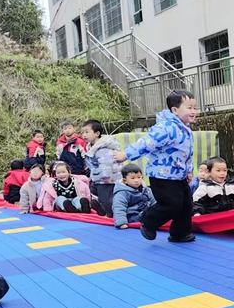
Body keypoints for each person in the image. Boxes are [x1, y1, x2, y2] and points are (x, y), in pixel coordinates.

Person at [113, 90, 196, 243]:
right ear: (175, 110)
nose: (193, 111)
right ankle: (148, 220)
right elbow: (146, 143)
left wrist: (189, 170)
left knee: (186, 204)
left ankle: (180, 233)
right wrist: (126, 154)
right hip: (161, 174)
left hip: (178, 174)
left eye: (195, 108)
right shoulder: (166, 127)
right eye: (189, 107)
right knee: (172, 204)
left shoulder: (185, 129)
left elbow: (187, 153)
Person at [81, 120, 123, 217]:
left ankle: (113, 214)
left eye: (87, 132)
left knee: (107, 199)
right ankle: (105, 210)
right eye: (82, 132)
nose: (84, 135)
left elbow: (106, 167)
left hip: (107, 180)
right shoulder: (93, 147)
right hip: (99, 178)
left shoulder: (102, 149)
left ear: (97, 133)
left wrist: (99, 177)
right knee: (96, 193)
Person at [112, 164, 157, 229]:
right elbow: (119, 207)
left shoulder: (146, 190)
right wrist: (122, 223)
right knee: (145, 216)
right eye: (133, 178)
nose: (136, 180)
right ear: (125, 181)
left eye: (139, 177)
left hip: (146, 211)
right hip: (132, 216)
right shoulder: (122, 193)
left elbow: (154, 202)